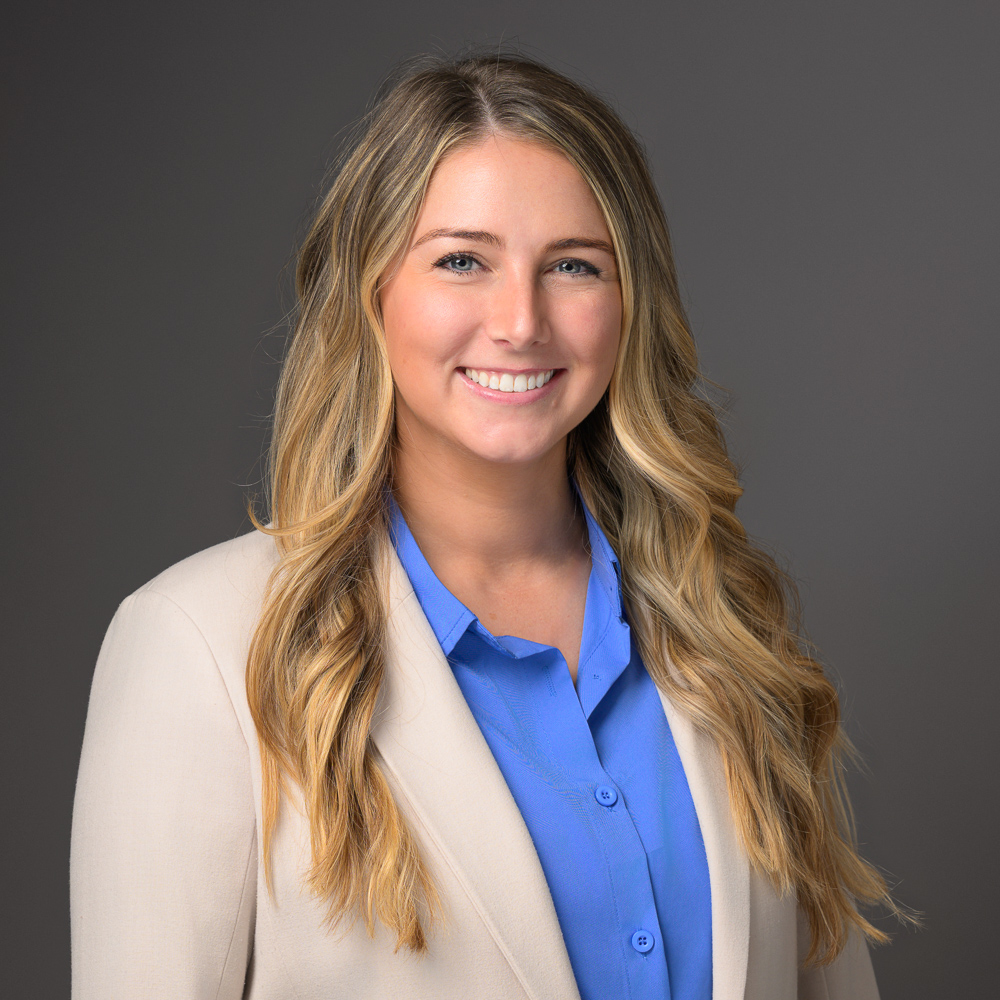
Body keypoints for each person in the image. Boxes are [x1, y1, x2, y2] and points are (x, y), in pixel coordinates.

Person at [70, 53, 902, 999]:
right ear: (371, 291)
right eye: (463, 260)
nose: (520, 321)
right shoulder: (198, 648)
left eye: (574, 266)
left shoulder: (733, 629)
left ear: (630, 305)